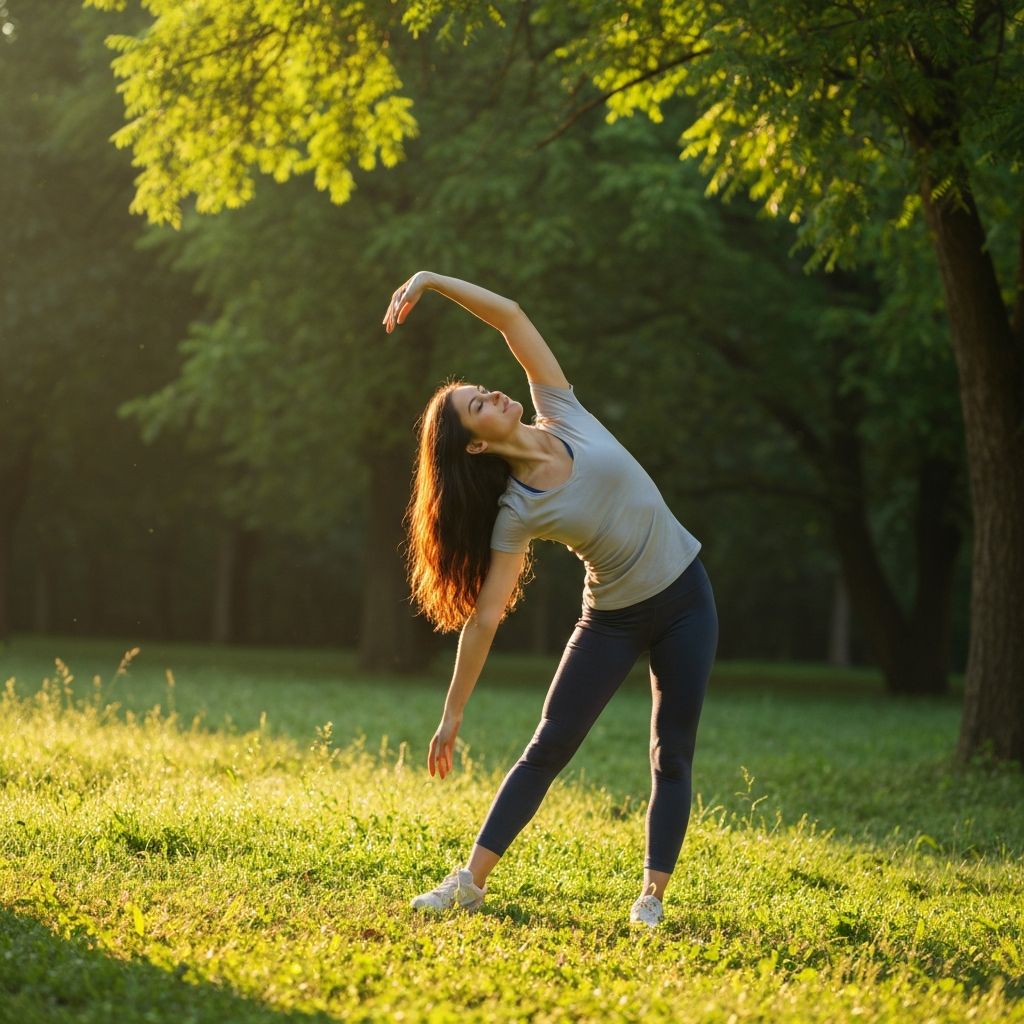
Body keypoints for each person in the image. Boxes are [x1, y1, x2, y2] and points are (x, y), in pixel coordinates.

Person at [383, 272, 719, 928]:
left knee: (671, 749)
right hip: (613, 618)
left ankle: (650, 897)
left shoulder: (562, 410)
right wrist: (451, 717)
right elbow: (484, 618)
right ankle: (470, 883)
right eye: (479, 404)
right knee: (549, 744)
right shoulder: (518, 509)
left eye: (483, 389)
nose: (495, 394)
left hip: (686, 596)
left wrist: (428, 280)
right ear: (477, 444)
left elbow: (510, 316)